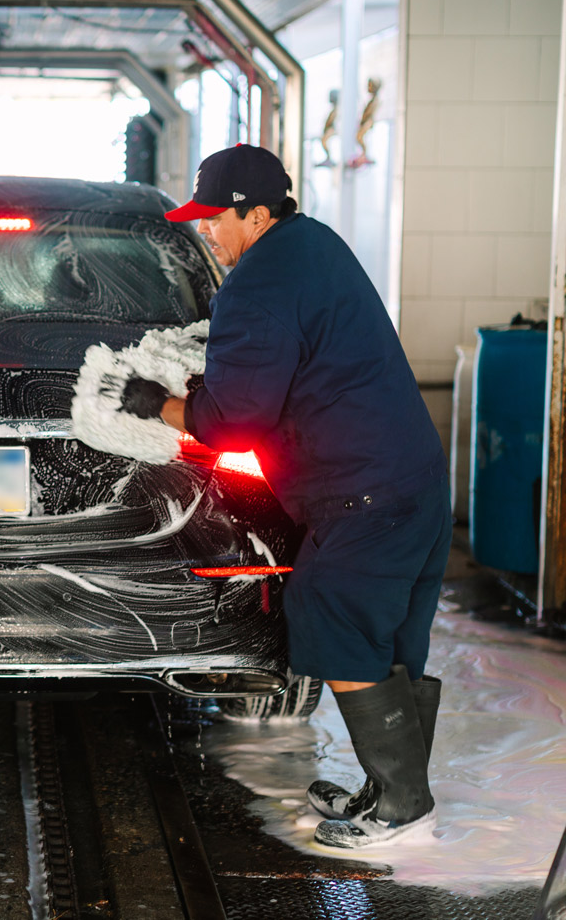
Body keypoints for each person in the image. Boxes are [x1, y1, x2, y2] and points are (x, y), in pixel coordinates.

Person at [119, 144, 451, 850]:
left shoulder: (258, 284)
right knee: (389, 635)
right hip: (412, 478)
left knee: (332, 615)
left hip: (360, 491)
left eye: (215, 218)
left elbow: (236, 418)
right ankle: (391, 787)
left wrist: (158, 404)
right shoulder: (312, 243)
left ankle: (401, 804)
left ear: (257, 212)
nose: (206, 230)